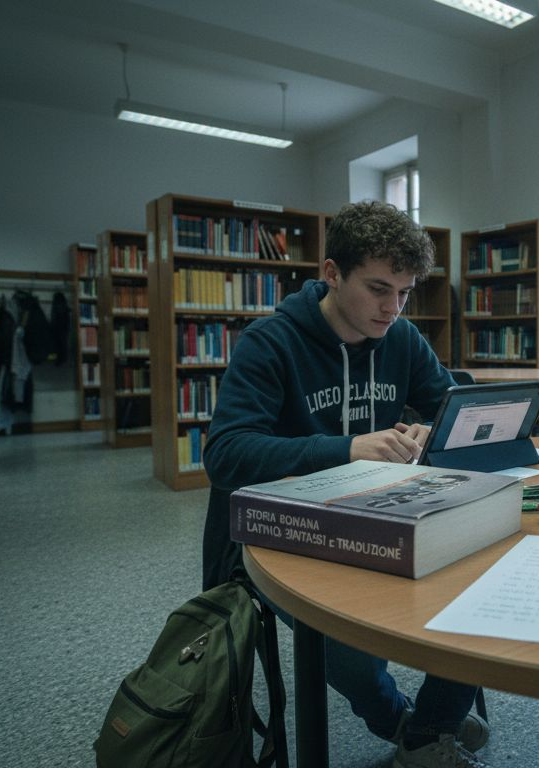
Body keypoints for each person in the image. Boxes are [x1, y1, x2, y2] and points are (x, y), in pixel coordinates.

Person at [201, 201, 490, 768]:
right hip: (282, 534)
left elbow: (453, 406)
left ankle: (428, 727)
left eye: (405, 292)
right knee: (353, 647)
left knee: (485, 585)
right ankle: (405, 724)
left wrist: (436, 430)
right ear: (332, 273)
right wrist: (345, 448)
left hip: (381, 515)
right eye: (379, 288)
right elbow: (226, 455)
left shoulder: (402, 339)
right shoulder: (270, 342)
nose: (393, 307)